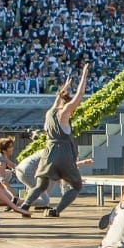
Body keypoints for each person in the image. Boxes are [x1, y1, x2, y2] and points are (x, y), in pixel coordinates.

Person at [21, 63, 89, 218]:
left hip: (48, 152)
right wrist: (84, 75)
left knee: (41, 185)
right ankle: (56, 210)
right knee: (76, 186)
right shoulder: (64, 113)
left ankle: (25, 205)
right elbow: (80, 94)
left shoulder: (50, 113)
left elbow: (57, 99)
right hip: (63, 153)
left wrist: (65, 86)